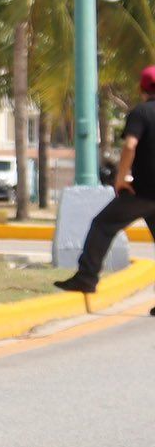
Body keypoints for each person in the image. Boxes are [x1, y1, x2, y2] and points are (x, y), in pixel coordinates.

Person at [56, 65, 155, 294]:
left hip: (141, 193)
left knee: (103, 225)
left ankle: (86, 277)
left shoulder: (141, 113)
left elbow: (130, 146)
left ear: (142, 88)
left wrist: (121, 178)